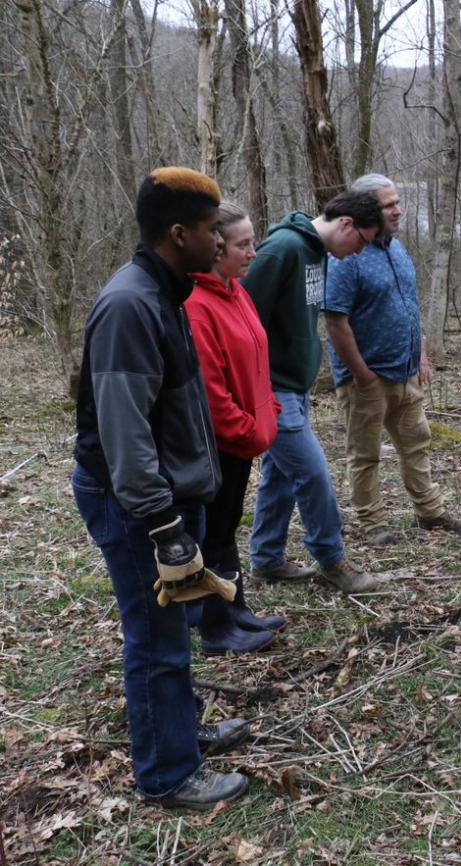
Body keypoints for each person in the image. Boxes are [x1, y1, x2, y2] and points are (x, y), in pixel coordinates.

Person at [72, 167, 251, 809]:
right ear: (178, 234)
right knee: (154, 636)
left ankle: (182, 732)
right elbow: (124, 435)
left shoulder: (166, 292)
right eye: (210, 231)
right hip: (138, 505)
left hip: (169, 497)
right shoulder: (131, 305)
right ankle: (168, 774)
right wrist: (163, 526)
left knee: (172, 630)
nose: (219, 240)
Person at [242, 190, 384, 594]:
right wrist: (257, 386)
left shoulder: (317, 253)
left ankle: (266, 559)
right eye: (361, 240)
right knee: (313, 473)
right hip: (272, 388)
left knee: (280, 477)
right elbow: (243, 316)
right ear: (345, 224)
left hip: (295, 386)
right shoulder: (284, 248)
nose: (358, 252)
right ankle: (331, 559)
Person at [323, 174, 461, 545]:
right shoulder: (348, 255)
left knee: (416, 443)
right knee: (365, 453)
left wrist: (420, 355)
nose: (398, 210)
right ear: (368, 209)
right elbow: (334, 319)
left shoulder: (397, 248)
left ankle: (430, 511)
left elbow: (411, 305)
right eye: (389, 204)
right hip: (366, 378)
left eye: (397, 202)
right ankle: (372, 521)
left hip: (406, 373)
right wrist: (361, 373)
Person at [185, 201, 287, 654]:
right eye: (243, 244)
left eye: (253, 242)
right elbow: (211, 392)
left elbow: (256, 362)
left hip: (245, 442)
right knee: (212, 535)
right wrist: (247, 431)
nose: (253, 252)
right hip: (222, 446)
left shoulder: (237, 291)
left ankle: (236, 610)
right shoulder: (198, 303)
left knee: (226, 532)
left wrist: (270, 411)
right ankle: (215, 627)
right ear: (216, 247)